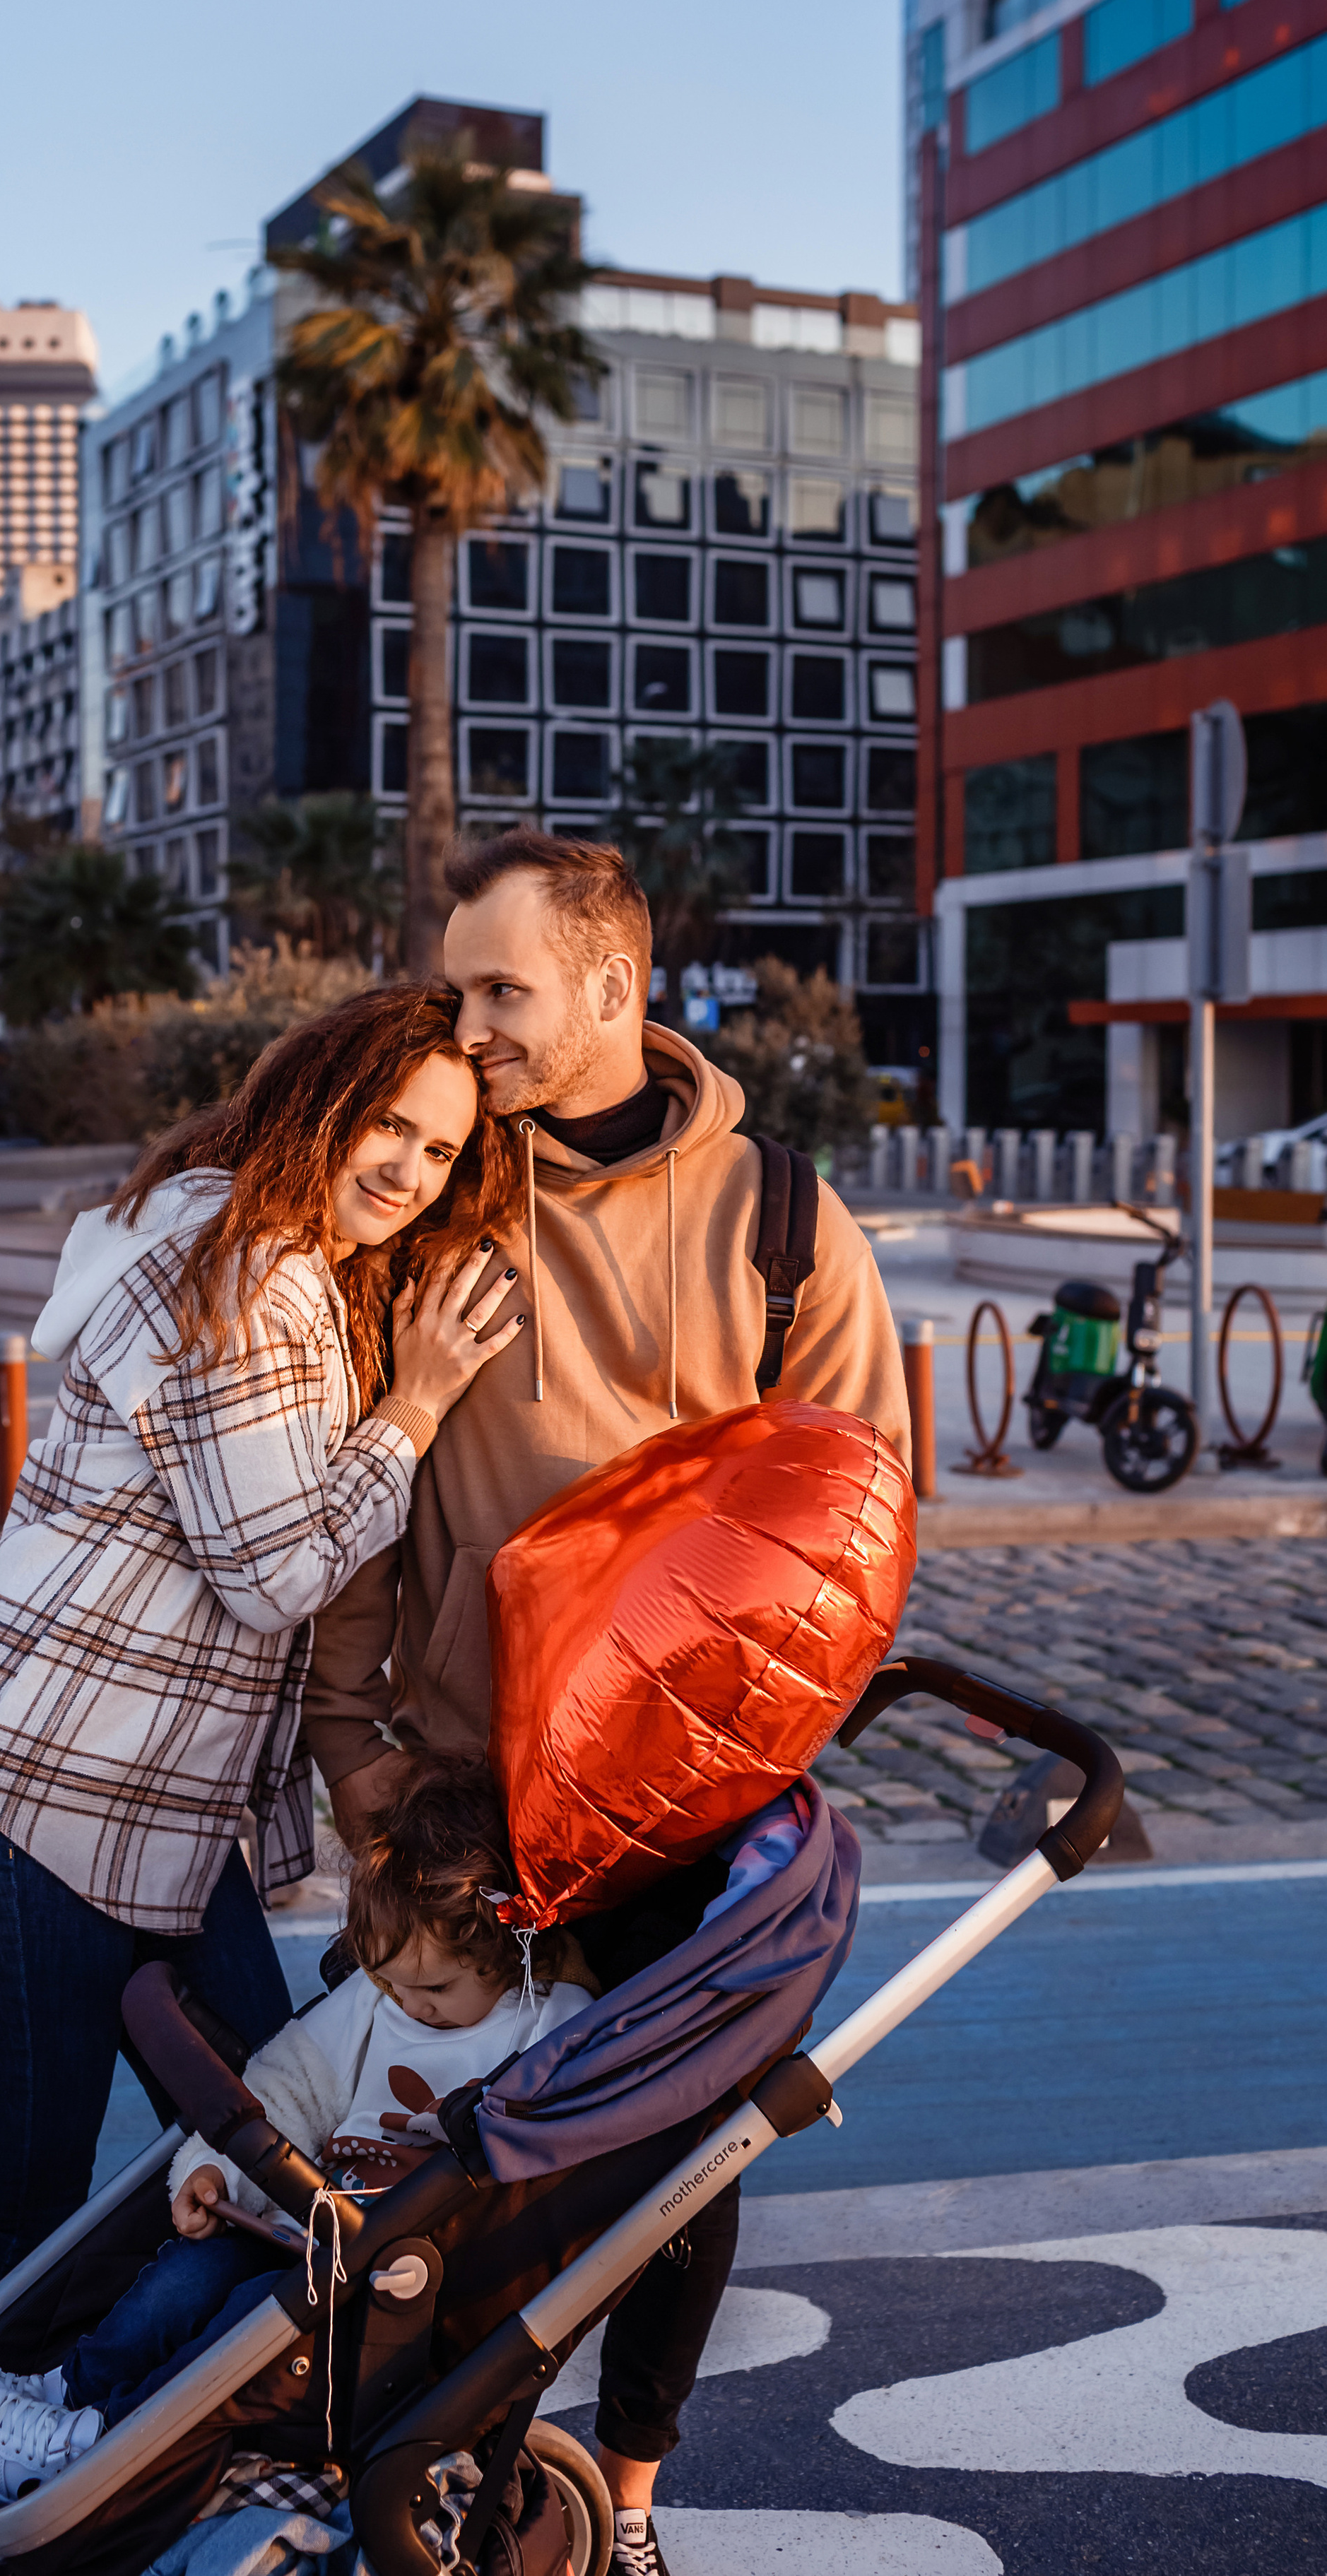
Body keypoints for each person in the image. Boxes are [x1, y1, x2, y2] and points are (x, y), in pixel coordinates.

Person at [302, 832, 909, 2576]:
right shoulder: (442, 1188)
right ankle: (396, 2474)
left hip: (678, 1816)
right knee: (402, 2156)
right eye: (458, 986)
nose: (470, 1022)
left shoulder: (779, 1214)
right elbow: (371, 1482)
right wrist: (352, 1742)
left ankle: (622, 2507)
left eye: (502, 988)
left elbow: (860, 1507)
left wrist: (746, 1744)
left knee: (675, 2179)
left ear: (613, 989)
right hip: (456, 1791)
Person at [0, 984, 528, 2338]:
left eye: (444, 1150)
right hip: (12, 1811)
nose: (409, 1170)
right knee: (17, 2204)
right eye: (388, 1126)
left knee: (276, 2156)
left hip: (154, 1833)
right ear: (319, 1105)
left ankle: (173, 2445)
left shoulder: (292, 1265)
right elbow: (277, 1570)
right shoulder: (242, 1268)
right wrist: (416, 1403)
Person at [0, 1761, 591, 2505]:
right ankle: (67, 2387)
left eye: (434, 1991)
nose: (411, 2007)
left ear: (506, 1948)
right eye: (393, 1984)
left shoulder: (546, 2022)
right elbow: (287, 2084)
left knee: (243, 2327)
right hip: (299, 2215)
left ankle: (101, 2439)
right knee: (179, 2277)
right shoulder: (376, 1999)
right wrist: (215, 2169)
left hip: (385, 2264)